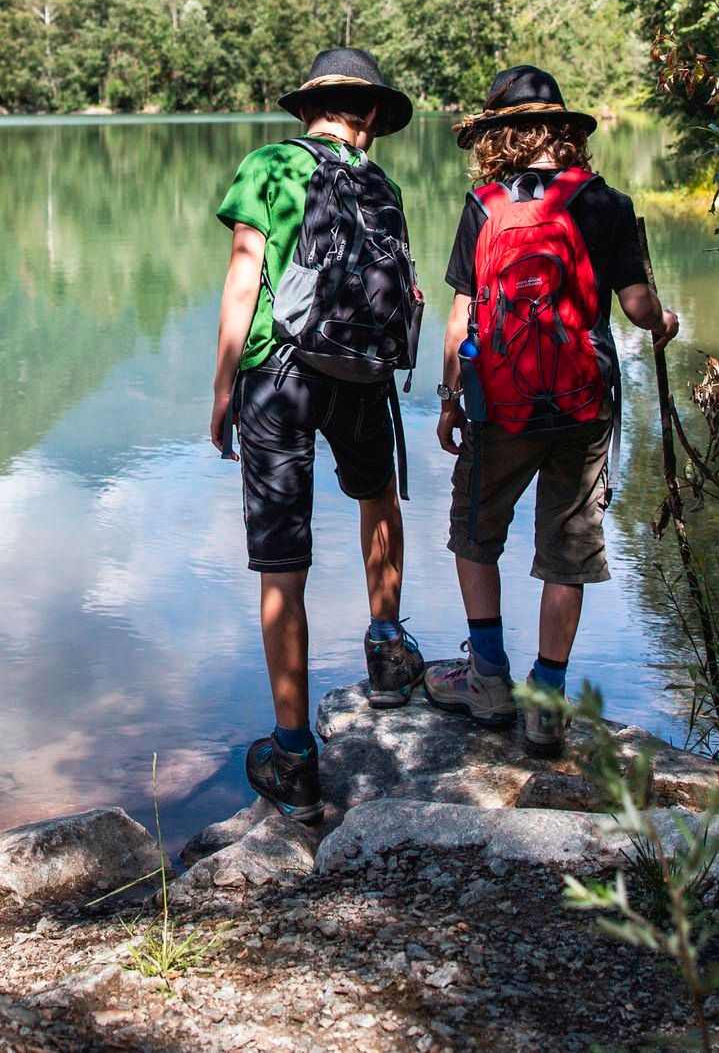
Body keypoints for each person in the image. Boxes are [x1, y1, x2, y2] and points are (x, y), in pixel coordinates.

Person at [422, 66, 678, 758]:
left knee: (475, 531)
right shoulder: (607, 203)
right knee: (568, 546)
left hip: (498, 403)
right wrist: (666, 321)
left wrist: (449, 399)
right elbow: (637, 307)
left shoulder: (482, 204)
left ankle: (487, 677)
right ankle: (546, 701)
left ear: (498, 138)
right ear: (564, 132)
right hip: (583, 401)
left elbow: (460, 319)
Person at [210, 47, 428, 821]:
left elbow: (245, 277)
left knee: (282, 562)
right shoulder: (381, 184)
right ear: (369, 115)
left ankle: (295, 757)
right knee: (378, 495)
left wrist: (223, 386)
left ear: (307, 109)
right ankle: (387, 651)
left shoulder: (269, 164)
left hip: (280, 375)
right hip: (363, 373)